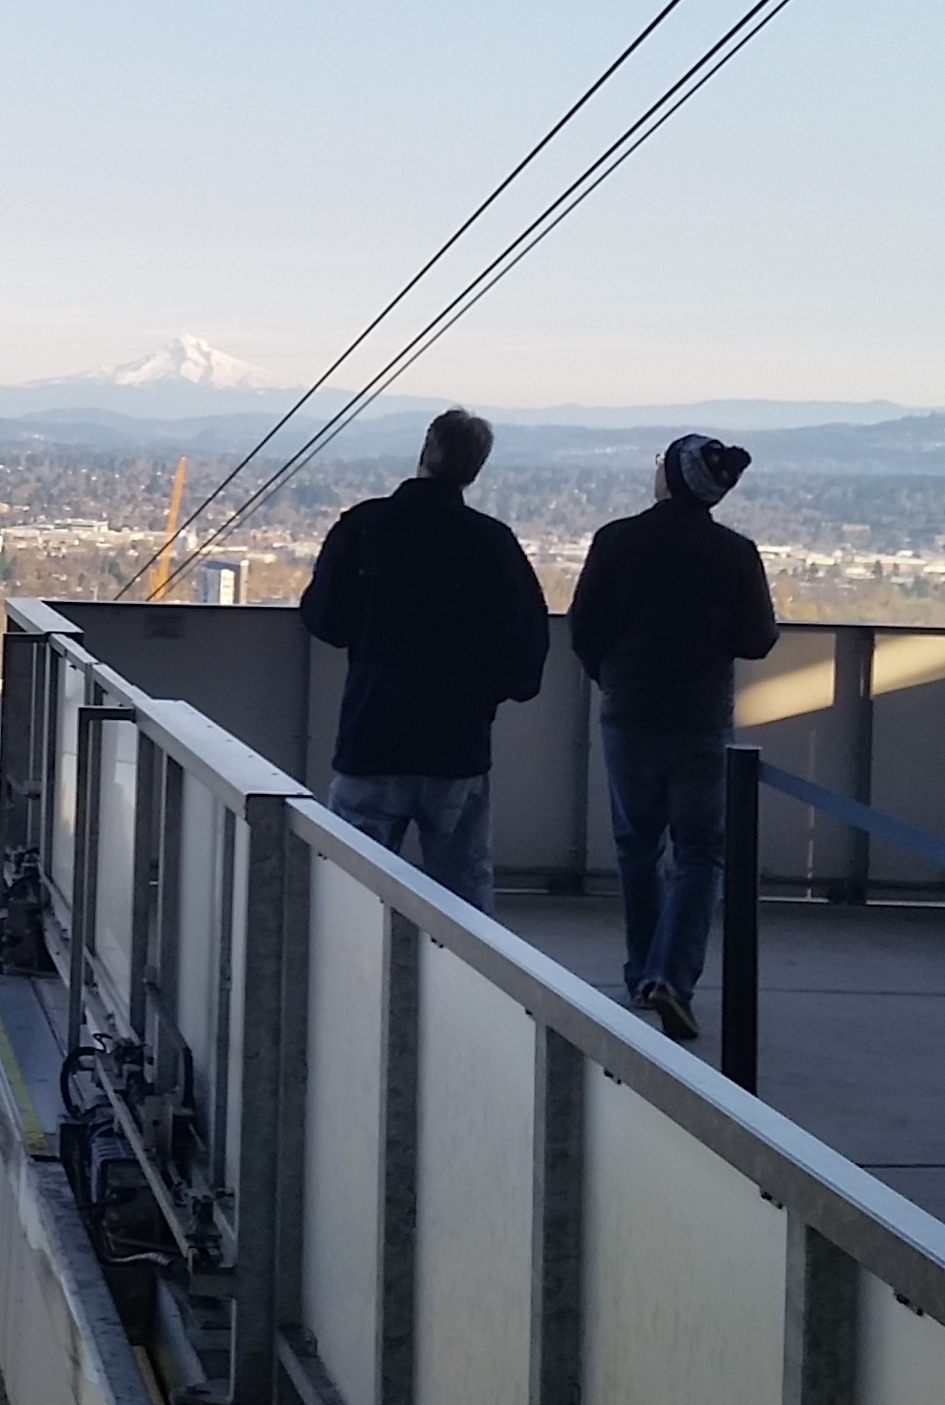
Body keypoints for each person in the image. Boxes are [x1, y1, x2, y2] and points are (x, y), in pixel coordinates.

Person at [569, 433, 780, 1042]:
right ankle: (672, 979)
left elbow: (584, 626)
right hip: (699, 720)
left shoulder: (616, 540)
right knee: (699, 854)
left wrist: (612, 677)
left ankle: (642, 974)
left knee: (638, 849)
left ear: (671, 477)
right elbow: (758, 637)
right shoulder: (736, 553)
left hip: (629, 714)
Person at [300, 409, 551, 910]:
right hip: (456, 741)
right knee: (463, 891)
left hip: (373, 733)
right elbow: (525, 650)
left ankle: (351, 980)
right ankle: (464, 983)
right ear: (475, 469)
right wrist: (485, 691)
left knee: (350, 884)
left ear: (426, 450)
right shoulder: (491, 543)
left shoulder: (366, 526)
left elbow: (325, 618)